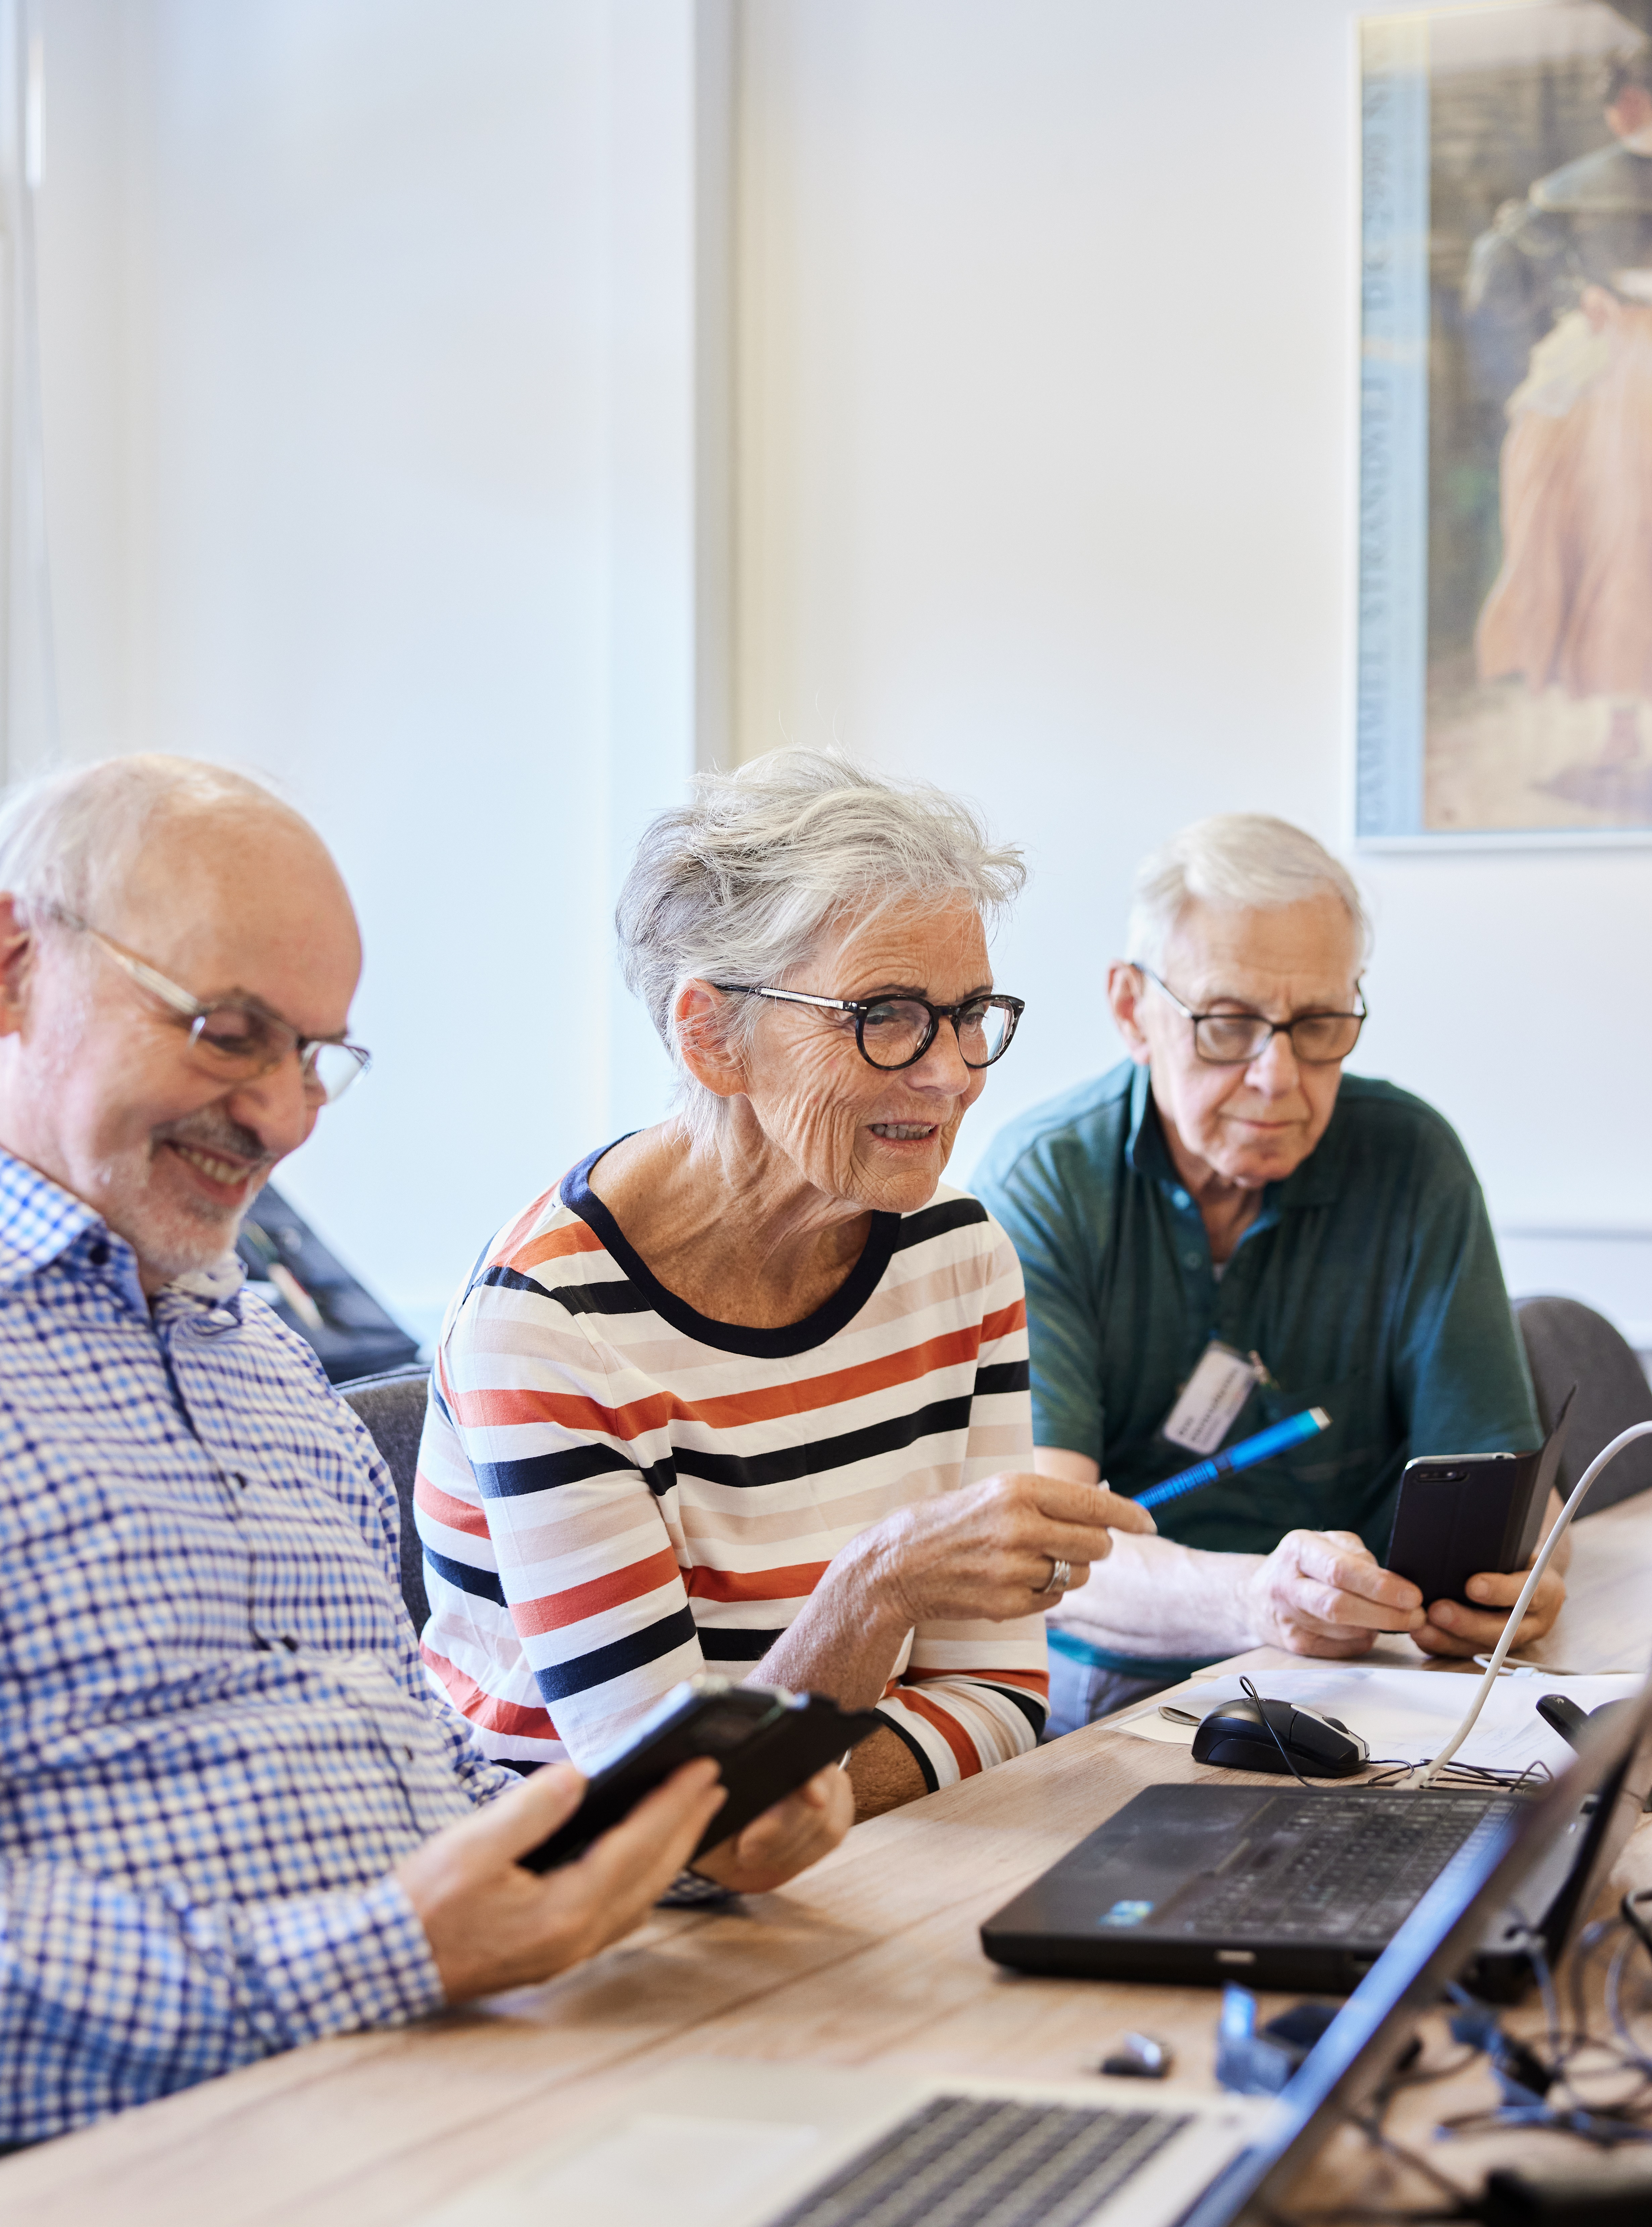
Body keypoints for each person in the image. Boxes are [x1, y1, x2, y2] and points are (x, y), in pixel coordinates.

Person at [0, 754, 853, 2148]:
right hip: (152, 2152)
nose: (284, 1118)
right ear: (16, 966)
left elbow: (405, 1766)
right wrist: (390, 1952)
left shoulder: (259, 1360)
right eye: (228, 1032)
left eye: (313, 1056)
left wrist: (654, 1840)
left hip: (447, 2074)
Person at [417, 750, 1149, 1811]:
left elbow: (998, 1697)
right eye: (885, 1014)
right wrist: (875, 1590)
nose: (952, 1073)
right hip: (581, 1896)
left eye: (968, 1013)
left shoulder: (954, 1248)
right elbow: (669, 1805)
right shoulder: (547, 1325)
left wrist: (788, 1787)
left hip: (875, 1854)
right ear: (712, 1036)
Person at [973, 814, 1553, 1739]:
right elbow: (1042, 1553)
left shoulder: (1411, 1160)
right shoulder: (1045, 1181)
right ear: (1131, 1009)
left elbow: (1505, 1481)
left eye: (1317, 1025)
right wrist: (1258, 1599)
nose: (1277, 1076)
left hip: (1382, 1673)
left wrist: (1523, 1571)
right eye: (1228, 1024)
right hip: (1124, 1681)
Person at [1466, 44, 1652, 765]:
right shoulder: (1571, 191)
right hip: (1610, 359)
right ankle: (1620, 718)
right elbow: (1503, 268)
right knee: (1606, 527)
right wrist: (1576, 293)